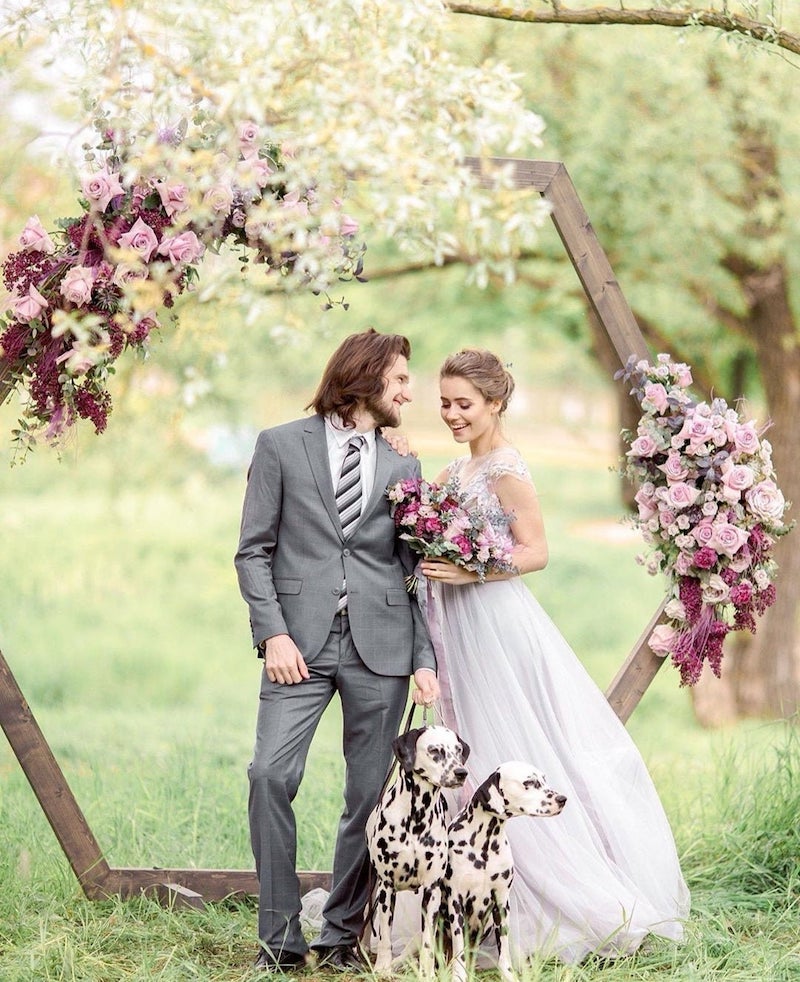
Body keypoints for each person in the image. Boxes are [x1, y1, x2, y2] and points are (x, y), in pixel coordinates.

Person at [412, 348, 690, 965]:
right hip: (454, 622)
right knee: (464, 740)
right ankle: (470, 894)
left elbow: (536, 551)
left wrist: (469, 571)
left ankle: (550, 896)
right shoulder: (457, 469)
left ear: (495, 404)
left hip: (494, 620)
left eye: (464, 404)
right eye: (445, 403)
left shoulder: (506, 467)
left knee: (512, 739)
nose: (452, 414)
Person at [234, 328, 439, 974]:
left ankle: (341, 936)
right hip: (297, 643)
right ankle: (279, 937)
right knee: (270, 774)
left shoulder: (405, 464)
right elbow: (253, 551)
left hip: (383, 646)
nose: (409, 391)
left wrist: (426, 657)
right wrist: (274, 633)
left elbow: (416, 573)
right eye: (401, 379)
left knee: (370, 796)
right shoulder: (279, 447)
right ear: (365, 377)